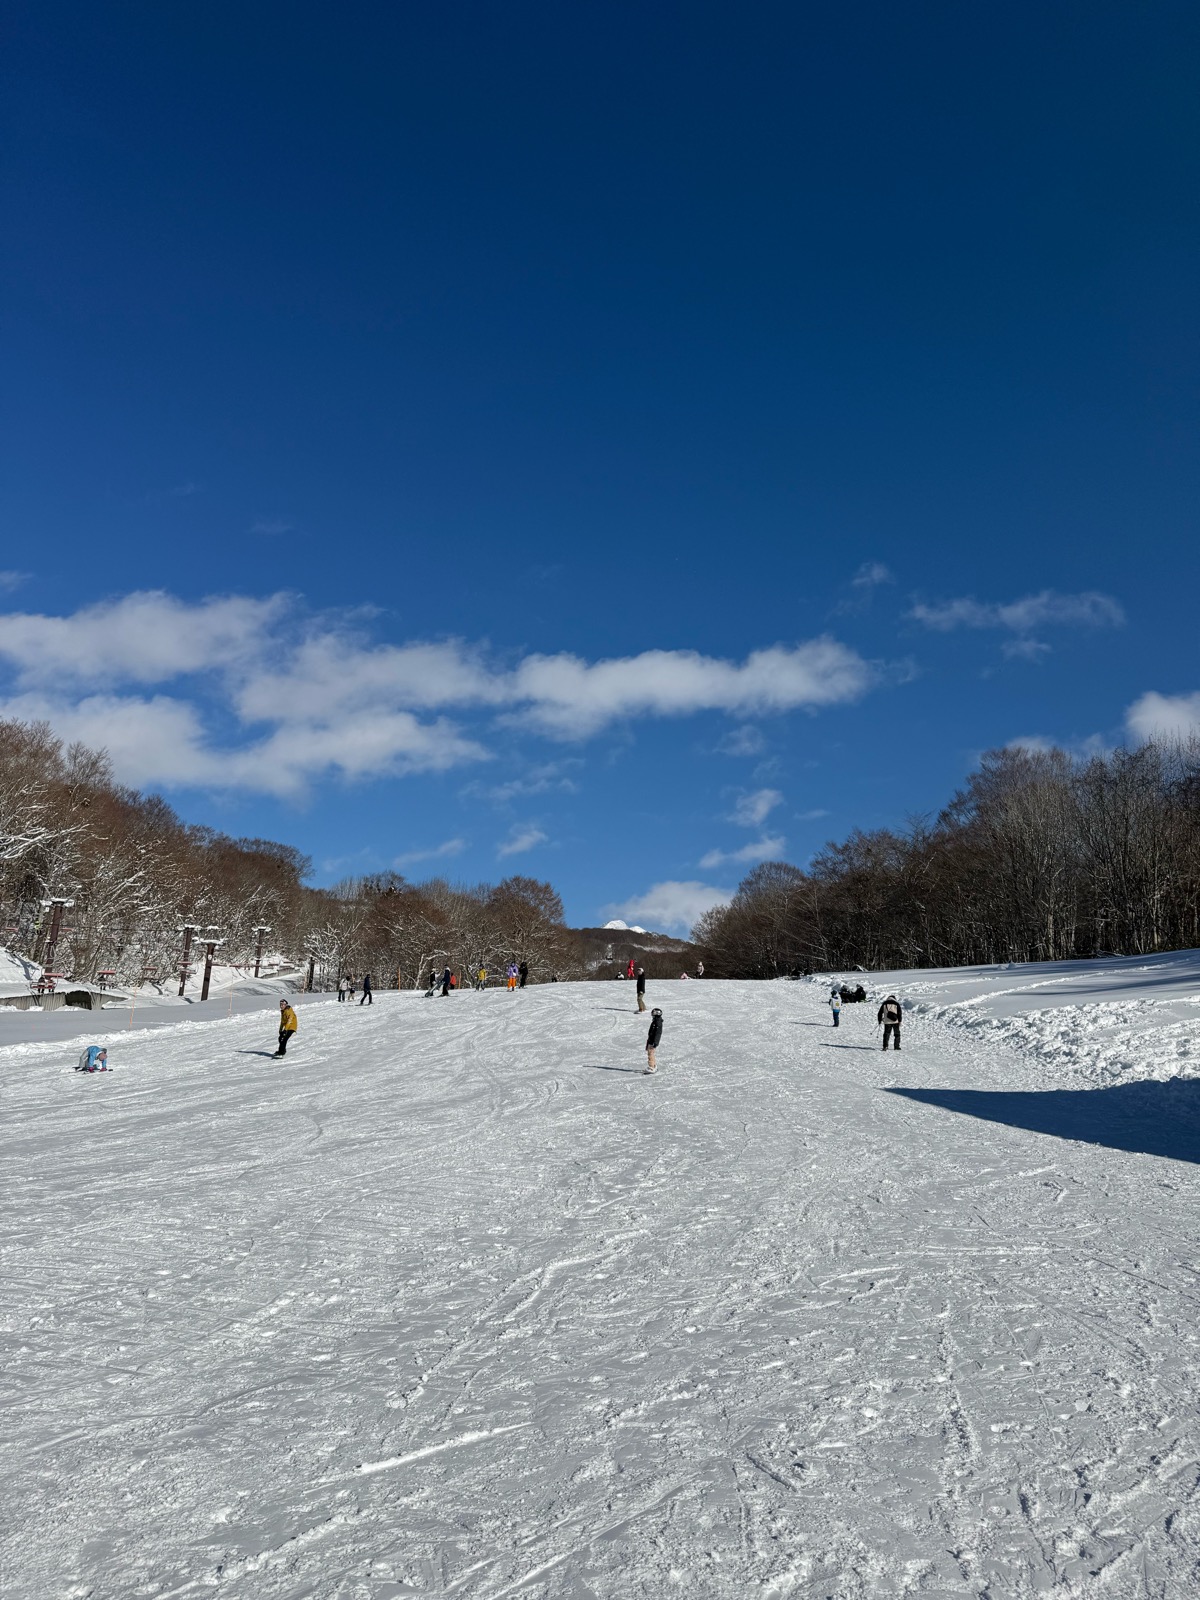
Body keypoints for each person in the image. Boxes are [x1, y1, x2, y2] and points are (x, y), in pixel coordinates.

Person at [644, 1007, 663, 1074]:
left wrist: (655, 1042)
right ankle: (654, 1066)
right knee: (650, 1053)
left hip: (653, 1041)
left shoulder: (657, 1022)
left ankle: (651, 1067)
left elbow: (658, 1033)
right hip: (651, 1040)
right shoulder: (656, 1021)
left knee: (650, 1053)